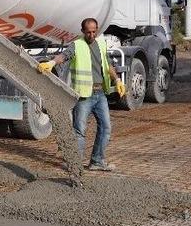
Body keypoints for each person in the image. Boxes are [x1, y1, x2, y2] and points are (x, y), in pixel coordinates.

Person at [37, 18, 126, 171]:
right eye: (88, 32)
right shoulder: (77, 45)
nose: (91, 35)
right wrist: (51, 63)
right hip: (84, 96)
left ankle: (97, 161)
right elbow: (64, 56)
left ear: (97, 30)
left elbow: (108, 64)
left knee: (106, 128)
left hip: (100, 94)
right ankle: (75, 164)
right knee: (79, 131)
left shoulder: (101, 44)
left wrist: (117, 80)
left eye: (94, 31)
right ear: (83, 31)